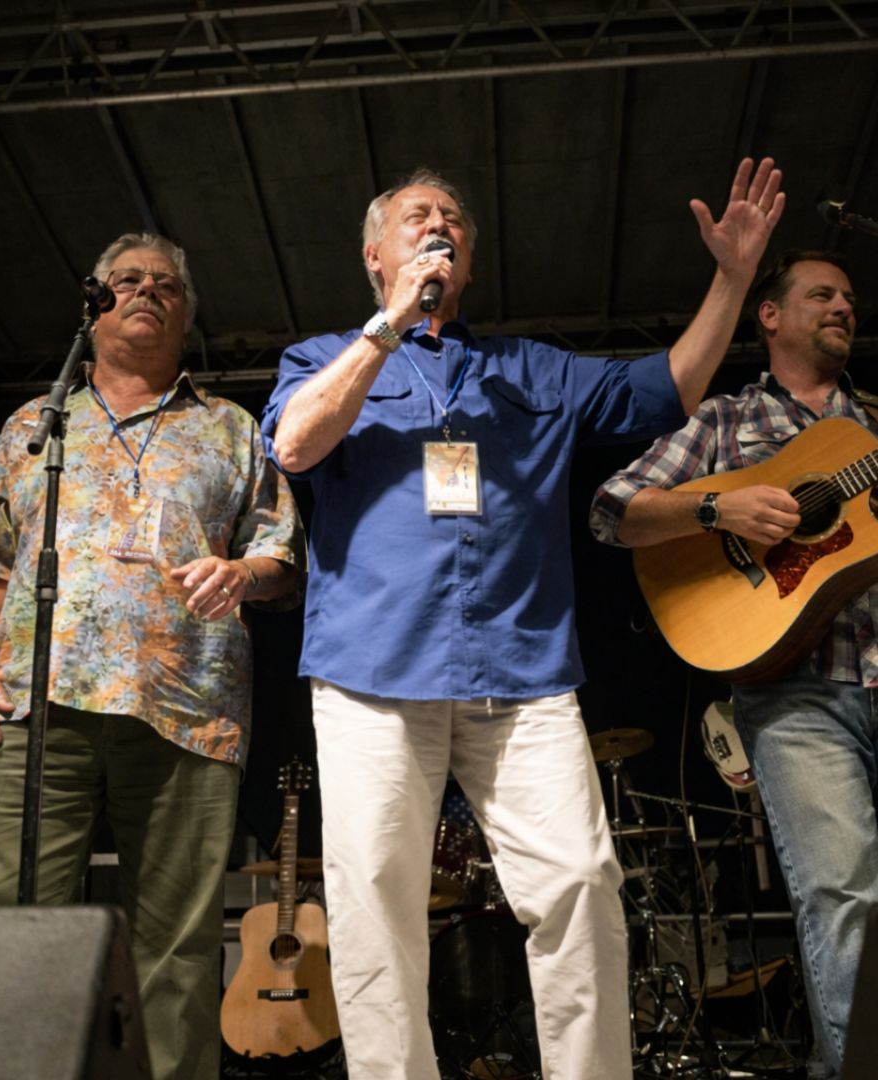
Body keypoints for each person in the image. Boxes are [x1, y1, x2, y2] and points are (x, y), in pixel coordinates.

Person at [260, 158, 784, 1080]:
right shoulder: (321, 357)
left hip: (522, 671)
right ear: (375, 256)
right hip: (372, 672)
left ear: (469, 261)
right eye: (417, 215)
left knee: (581, 882)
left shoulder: (532, 367)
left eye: (453, 218)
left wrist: (734, 279)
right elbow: (296, 444)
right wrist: (388, 327)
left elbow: (668, 390)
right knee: (375, 903)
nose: (439, 224)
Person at [0, 231, 304, 1080]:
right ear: (94, 308)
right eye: (126, 281)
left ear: (187, 314)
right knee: (7, 933)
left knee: (175, 953)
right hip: (34, 707)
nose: (146, 291)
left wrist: (243, 573)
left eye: (166, 284)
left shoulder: (230, 428)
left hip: (189, 713)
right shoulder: (35, 425)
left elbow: (282, 558)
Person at [590, 249, 869, 1078]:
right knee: (846, 896)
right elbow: (615, 509)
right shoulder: (727, 420)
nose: (843, 307)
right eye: (822, 294)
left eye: (851, 298)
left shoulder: (872, 426)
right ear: (770, 316)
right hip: (797, 695)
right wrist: (719, 506)